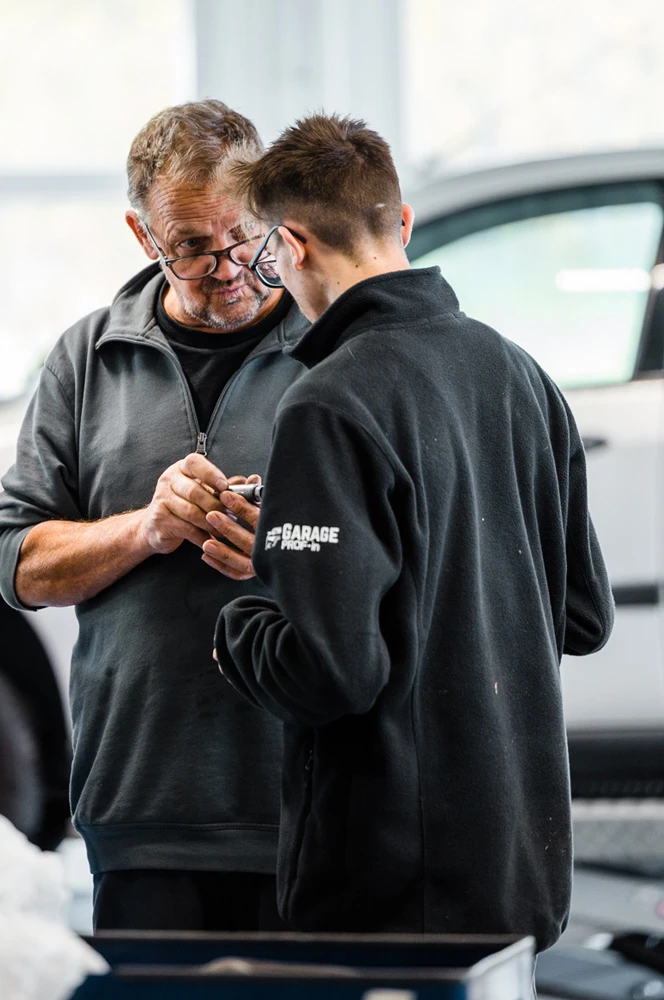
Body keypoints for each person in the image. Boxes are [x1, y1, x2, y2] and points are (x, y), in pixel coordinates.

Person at [210, 114, 614, 950]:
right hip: (519, 875)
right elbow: (583, 618)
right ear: (401, 222)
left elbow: (333, 671)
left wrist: (243, 619)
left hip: (388, 896)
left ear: (291, 245)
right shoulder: (519, 374)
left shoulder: (329, 402)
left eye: (267, 258)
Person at [0, 100, 308, 932]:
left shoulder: (337, 351)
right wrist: (146, 529)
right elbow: (20, 561)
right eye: (192, 247)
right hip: (141, 806)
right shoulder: (86, 358)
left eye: (243, 237)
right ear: (143, 236)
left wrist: (282, 555)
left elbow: (414, 560)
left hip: (308, 803)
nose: (228, 267)